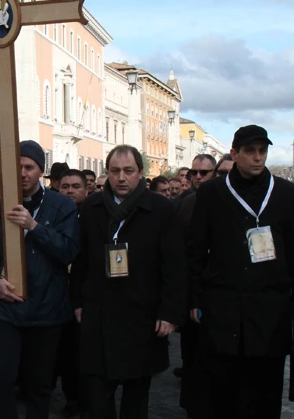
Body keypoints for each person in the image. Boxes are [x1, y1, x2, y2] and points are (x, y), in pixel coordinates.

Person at [189, 125, 294, 419]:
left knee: (266, 392)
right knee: (223, 392)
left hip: (270, 308)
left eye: (262, 151)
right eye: (250, 151)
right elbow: (195, 250)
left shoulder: (287, 194)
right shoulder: (211, 193)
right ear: (235, 154)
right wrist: (192, 298)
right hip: (223, 307)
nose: (257, 158)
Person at [71, 145, 185, 419]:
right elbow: (81, 260)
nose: (121, 177)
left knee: (136, 397)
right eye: (115, 171)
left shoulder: (161, 209)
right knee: (98, 395)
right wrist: (76, 301)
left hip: (142, 316)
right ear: (107, 174)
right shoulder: (92, 207)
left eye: (128, 171)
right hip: (99, 314)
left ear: (141, 174)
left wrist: (170, 312)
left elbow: (175, 265)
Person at [0, 140, 79, 419]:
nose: (22, 173)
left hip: (47, 312)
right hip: (4, 310)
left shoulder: (61, 207)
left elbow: (68, 252)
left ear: (40, 171)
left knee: (39, 386)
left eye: (29, 167)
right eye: (17, 166)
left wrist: (33, 227)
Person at [175, 153, 217, 415]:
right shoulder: (183, 204)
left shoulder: (224, 203)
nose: (198, 177)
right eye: (195, 173)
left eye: (204, 173)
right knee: (191, 356)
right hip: (190, 289)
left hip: (217, 291)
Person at [55, 168, 88, 417]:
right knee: (64, 351)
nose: (69, 191)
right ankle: (71, 397)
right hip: (57, 293)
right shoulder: (53, 216)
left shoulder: (92, 217)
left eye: (75, 186)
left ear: (86, 190)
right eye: (65, 186)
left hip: (86, 295)